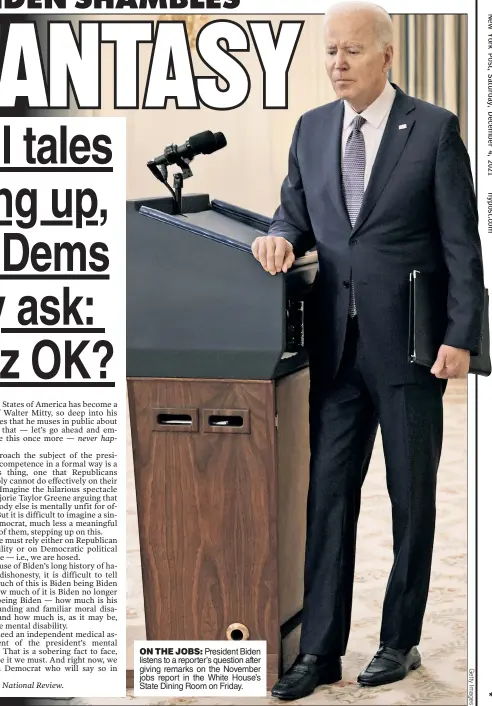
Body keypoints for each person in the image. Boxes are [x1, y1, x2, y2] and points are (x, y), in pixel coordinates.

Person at [251, 1, 483, 700]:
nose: (337, 64)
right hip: (335, 349)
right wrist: (278, 235)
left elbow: (460, 245)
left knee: (411, 499)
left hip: (411, 348)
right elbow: (295, 209)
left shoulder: (434, 131)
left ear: (387, 57)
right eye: (329, 51)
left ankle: (399, 641)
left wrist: (462, 334)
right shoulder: (311, 128)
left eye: (352, 50)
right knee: (328, 502)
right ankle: (320, 650)